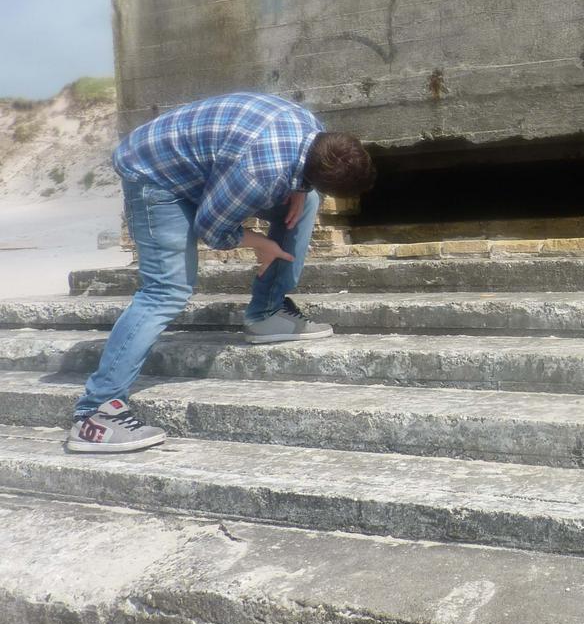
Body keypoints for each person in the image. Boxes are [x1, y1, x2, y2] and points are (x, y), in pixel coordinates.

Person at [65, 92, 376, 454]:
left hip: (202, 162)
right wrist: (262, 244)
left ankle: (266, 313)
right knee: (166, 291)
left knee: (304, 204)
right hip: (153, 174)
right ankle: (94, 412)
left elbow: (290, 175)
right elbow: (211, 228)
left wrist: (301, 188)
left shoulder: (316, 133)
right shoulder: (259, 173)